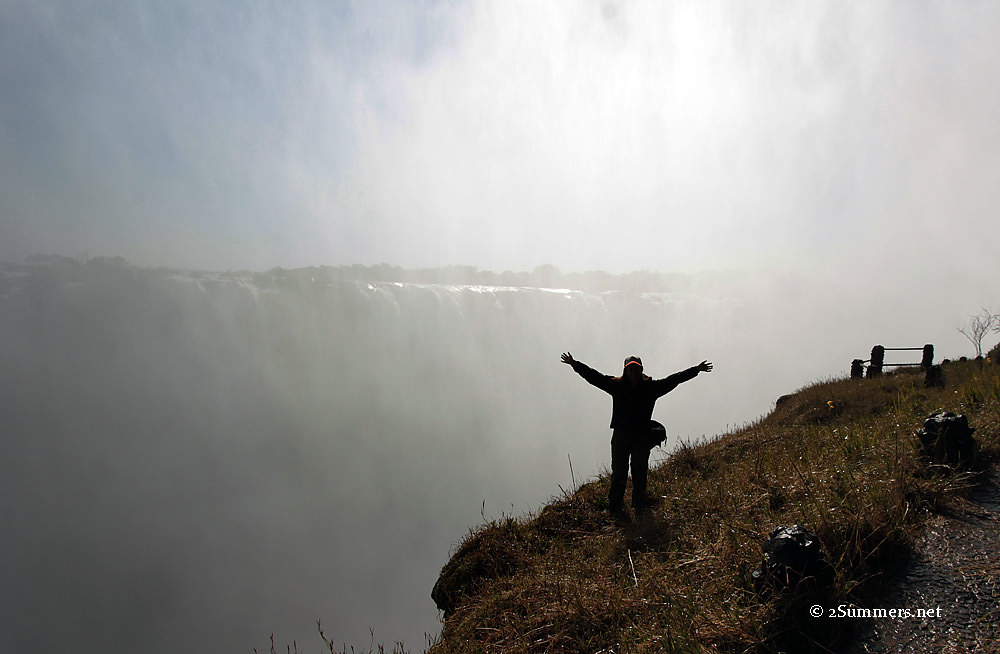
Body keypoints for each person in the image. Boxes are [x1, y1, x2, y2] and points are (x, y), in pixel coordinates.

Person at [561, 352, 712, 519]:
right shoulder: (616, 385)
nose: (633, 372)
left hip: (641, 436)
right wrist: (574, 364)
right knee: (619, 472)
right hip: (621, 436)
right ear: (625, 371)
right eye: (630, 369)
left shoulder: (651, 388)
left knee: (639, 471)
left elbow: (673, 380)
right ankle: (615, 507)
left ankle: (639, 505)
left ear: (641, 370)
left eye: (636, 369)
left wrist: (696, 370)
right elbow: (594, 377)